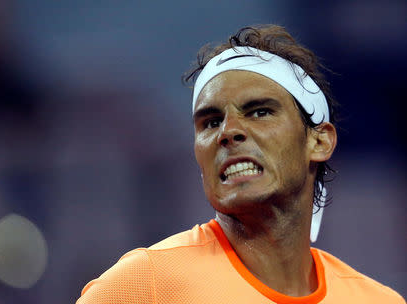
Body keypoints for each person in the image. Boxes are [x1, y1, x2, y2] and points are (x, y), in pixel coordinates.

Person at [76, 25, 405, 304]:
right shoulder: (144, 286)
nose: (228, 132)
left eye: (260, 111)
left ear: (318, 141)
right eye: (210, 122)